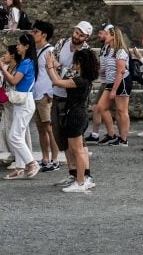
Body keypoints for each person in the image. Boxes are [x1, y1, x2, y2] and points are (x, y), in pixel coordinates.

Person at [44, 48, 100, 193]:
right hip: (77, 114)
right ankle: (80, 179)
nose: (72, 63)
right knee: (76, 149)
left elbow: (57, 82)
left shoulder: (79, 81)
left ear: (80, 63)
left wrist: (50, 65)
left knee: (77, 150)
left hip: (76, 115)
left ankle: (80, 182)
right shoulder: (84, 79)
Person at [51, 21, 94, 189]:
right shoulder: (62, 43)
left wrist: (57, 68)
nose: (77, 36)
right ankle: (73, 173)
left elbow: (72, 76)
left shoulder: (85, 53)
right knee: (62, 138)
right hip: (57, 94)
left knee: (77, 142)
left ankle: (85, 176)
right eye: (76, 32)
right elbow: (53, 59)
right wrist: (58, 68)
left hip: (72, 99)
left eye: (81, 35)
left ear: (86, 37)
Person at [0, 33, 40, 179]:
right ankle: (20, 167)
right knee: (17, 135)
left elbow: (14, 81)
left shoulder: (26, 63)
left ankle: (31, 163)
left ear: (26, 46)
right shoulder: (27, 62)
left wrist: (2, 68)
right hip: (22, 101)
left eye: (20, 44)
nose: (18, 46)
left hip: (24, 102)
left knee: (14, 135)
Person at [88, 24, 131, 146]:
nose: (104, 36)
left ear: (113, 36)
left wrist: (114, 90)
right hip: (110, 81)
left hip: (121, 82)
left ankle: (124, 139)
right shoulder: (109, 50)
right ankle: (112, 134)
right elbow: (107, 69)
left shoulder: (120, 51)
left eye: (107, 34)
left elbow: (120, 71)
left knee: (122, 111)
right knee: (101, 107)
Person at [30, 22, 60, 171]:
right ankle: (45, 158)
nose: (33, 33)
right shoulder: (35, 50)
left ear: (44, 34)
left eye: (36, 31)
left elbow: (56, 69)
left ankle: (55, 159)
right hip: (36, 93)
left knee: (49, 128)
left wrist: (51, 91)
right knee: (41, 129)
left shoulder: (50, 51)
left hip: (45, 94)